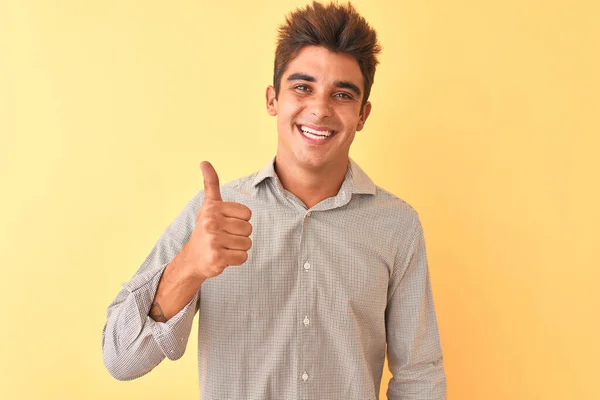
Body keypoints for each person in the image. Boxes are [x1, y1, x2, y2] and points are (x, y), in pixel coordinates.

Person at [102, 1, 446, 399]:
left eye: (342, 95)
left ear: (363, 115)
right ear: (272, 99)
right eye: (303, 87)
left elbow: (419, 376)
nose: (320, 109)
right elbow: (119, 358)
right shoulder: (213, 215)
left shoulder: (397, 227)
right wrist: (188, 267)